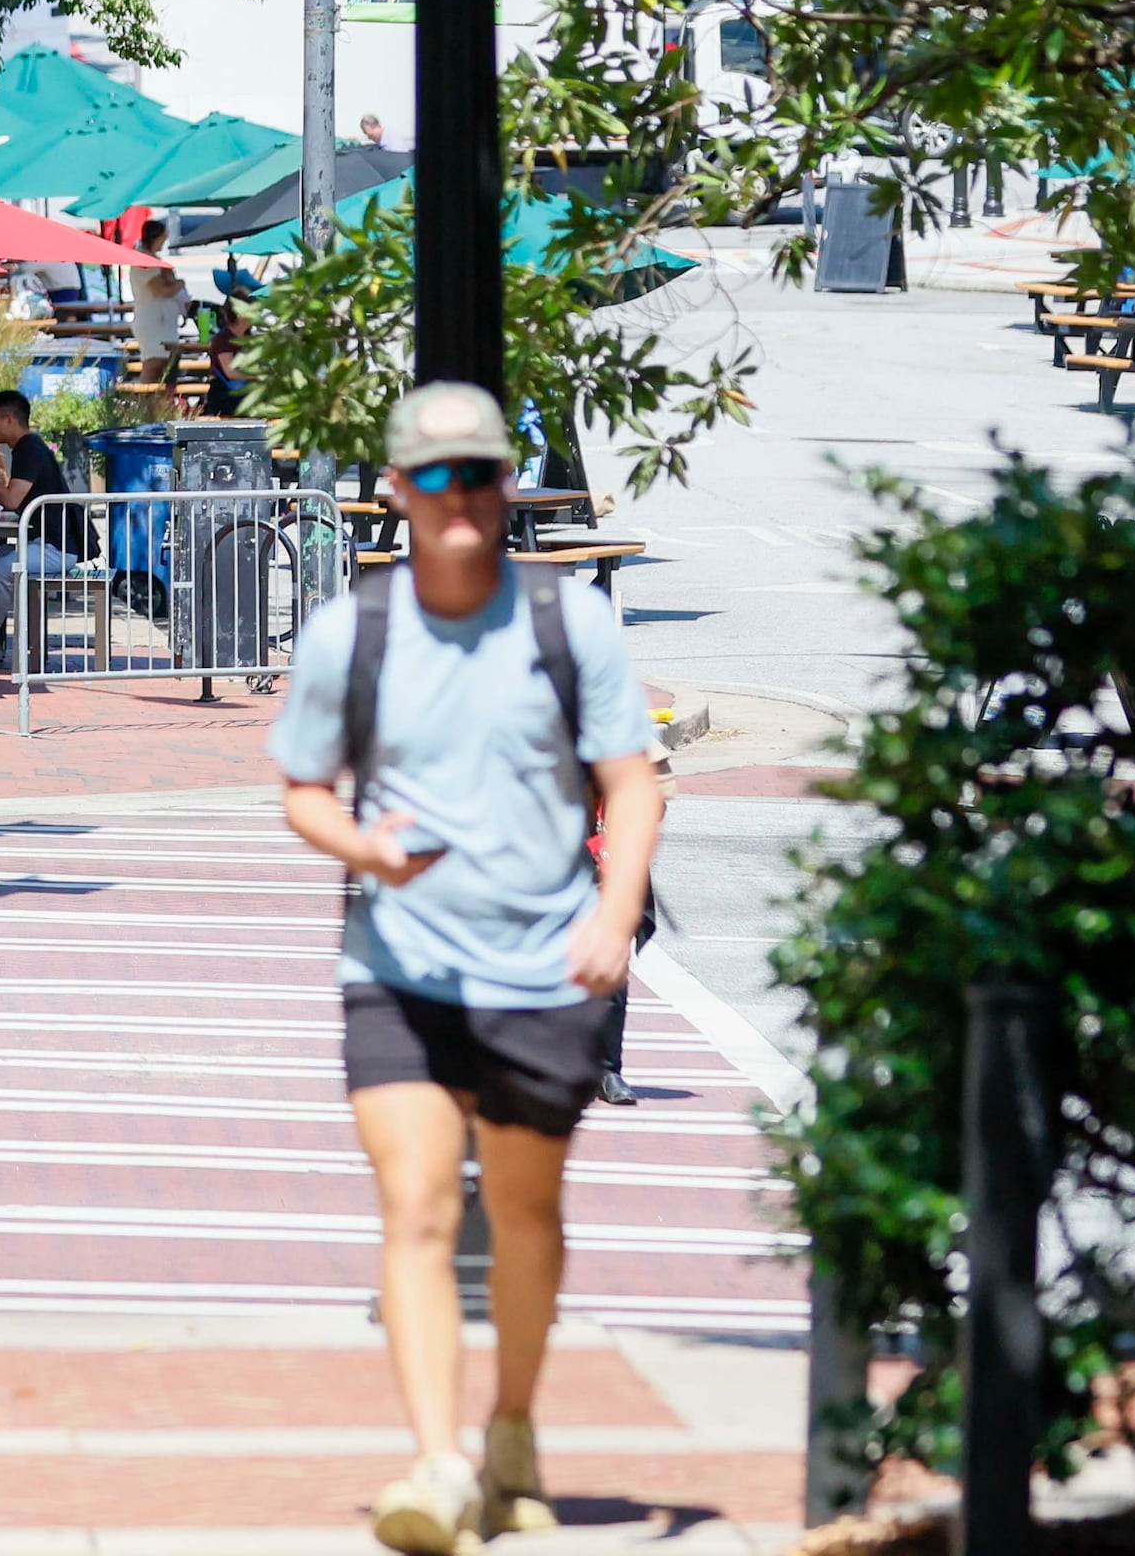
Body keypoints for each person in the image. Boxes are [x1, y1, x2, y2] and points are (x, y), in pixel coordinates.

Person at [268, 381, 662, 1553]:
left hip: (543, 966)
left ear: (503, 487)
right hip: (399, 966)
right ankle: (438, 1462)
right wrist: (364, 848)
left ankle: (514, 1430)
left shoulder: (567, 621)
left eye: (479, 475)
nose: (458, 498)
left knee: (528, 1212)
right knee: (420, 1208)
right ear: (396, 489)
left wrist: (615, 914)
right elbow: (302, 791)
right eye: (434, 477)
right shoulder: (356, 631)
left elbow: (632, 782)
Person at [0, 389, 80, 675]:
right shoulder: (27, 448)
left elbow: (12, 498)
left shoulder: (29, 449)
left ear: (8, 419)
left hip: (56, 549)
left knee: (0, 568)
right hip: (41, 542)